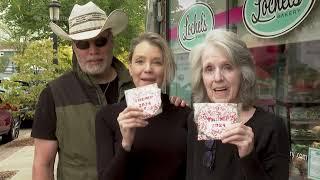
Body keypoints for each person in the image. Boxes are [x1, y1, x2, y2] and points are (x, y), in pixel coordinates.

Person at [31, 2, 134, 180]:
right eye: (83, 44)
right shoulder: (54, 94)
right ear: (73, 47)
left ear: (112, 40)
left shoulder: (138, 87)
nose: (93, 51)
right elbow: (43, 164)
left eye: (100, 41)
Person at [187, 30, 290, 180]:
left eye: (227, 67)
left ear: (243, 72)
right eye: (209, 69)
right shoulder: (194, 120)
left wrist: (248, 157)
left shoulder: (272, 128)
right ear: (201, 76)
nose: (217, 77)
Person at [95, 32, 191, 180]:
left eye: (157, 62)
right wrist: (126, 144)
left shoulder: (183, 113)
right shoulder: (107, 116)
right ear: (130, 67)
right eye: (140, 61)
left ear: (166, 68)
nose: (148, 69)